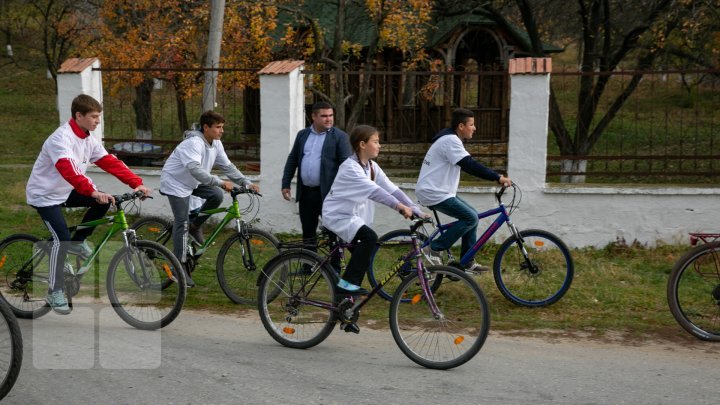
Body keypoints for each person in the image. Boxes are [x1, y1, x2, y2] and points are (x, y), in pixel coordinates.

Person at [26, 94, 151, 314]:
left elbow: (110, 162)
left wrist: (136, 183)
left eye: (98, 116)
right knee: (61, 239)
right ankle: (55, 291)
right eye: (94, 117)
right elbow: (70, 172)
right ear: (79, 116)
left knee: (104, 202)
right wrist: (92, 190)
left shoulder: (87, 139)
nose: (98, 121)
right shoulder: (61, 139)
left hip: (64, 192)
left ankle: (78, 242)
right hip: (44, 195)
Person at [322, 125, 426, 334]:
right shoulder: (350, 167)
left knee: (362, 258)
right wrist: (399, 207)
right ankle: (345, 289)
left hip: (353, 218)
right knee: (370, 239)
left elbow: (391, 188)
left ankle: (346, 309)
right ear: (362, 144)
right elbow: (376, 192)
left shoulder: (371, 167)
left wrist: (415, 208)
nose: (379, 145)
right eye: (376, 141)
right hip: (338, 216)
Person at [160, 110, 259, 288]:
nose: (222, 131)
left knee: (216, 195)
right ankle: (178, 267)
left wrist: (246, 182)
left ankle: (195, 225)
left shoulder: (216, 144)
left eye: (222, 127)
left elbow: (227, 166)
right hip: (175, 182)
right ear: (206, 127)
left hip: (193, 182)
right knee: (181, 222)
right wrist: (220, 182)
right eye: (218, 127)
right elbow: (195, 169)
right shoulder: (194, 143)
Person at [415, 108, 512, 273]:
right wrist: (497, 177)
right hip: (434, 192)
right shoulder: (450, 141)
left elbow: (468, 163)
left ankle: (467, 261)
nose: (474, 128)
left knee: (472, 215)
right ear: (461, 126)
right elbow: (470, 165)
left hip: (441, 191)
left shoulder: (450, 139)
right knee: (470, 218)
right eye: (472, 124)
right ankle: (434, 248)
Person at [281, 102, 351, 252]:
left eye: (331, 115)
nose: (329, 119)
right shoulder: (303, 135)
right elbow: (293, 159)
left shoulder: (340, 137)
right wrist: (285, 183)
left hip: (328, 194)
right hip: (306, 193)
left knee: (333, 232)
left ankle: (334, 269)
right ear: (313, 116)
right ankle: (309, 266)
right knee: (308, 232)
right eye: (324, 116)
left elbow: (347, 167)